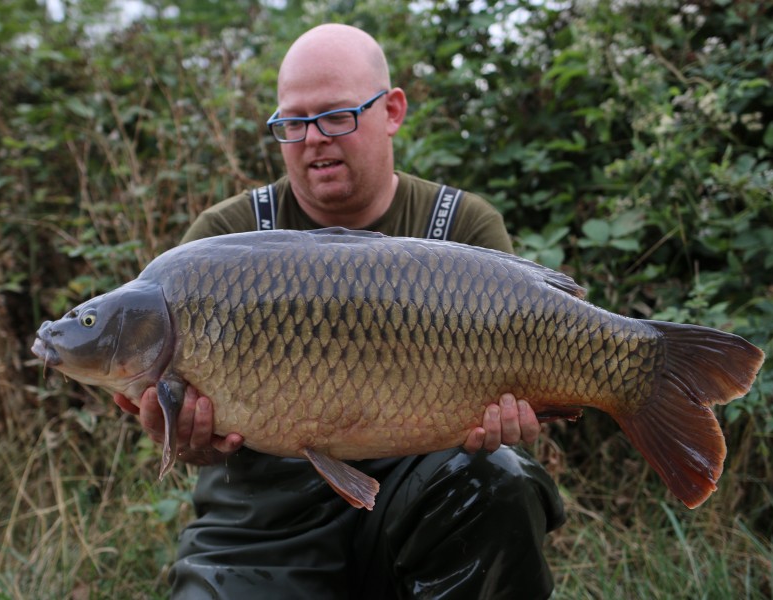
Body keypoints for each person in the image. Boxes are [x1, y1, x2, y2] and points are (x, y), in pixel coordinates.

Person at [114, 23, 565, 599]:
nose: (313, 139)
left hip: (423, 494)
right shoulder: (222, 239)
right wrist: (184, 436)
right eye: (293, 123)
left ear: (393, 110)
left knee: (498, 480)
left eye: (336, 116)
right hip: (264, 524)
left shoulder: (461, 229)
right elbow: (192, 442)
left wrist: (513, 419)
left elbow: (510, 403)